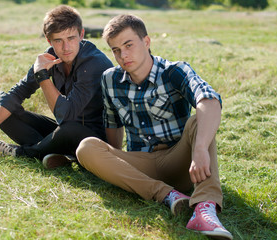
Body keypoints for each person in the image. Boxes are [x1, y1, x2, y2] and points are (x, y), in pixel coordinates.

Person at [76, 14, 233, 239]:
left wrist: (199, 150)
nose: (123, 55)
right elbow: (112, 123)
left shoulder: (174, 71)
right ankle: (167, 195)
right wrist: (112, 161)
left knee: (199, 118)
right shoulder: (109, 79)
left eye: (128, 45)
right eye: (116, 50)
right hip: (141, 165)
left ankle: (203, 209)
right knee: (86, 147)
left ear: (146, 42)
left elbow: (209, 100)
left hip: (181, 162)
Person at [0, 5, 113, 169]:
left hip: (93, 140)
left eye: (71, 38)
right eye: (58, 40)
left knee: (70, 129)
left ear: (81, 34)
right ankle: (57, 154)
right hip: (65, 130)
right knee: (7, 116)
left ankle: (23, 152)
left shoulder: (94, 63)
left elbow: (66, 117)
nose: (65, 48)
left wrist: (42, 77)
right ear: (49, 40)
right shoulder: (49, 56)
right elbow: (17, 93)